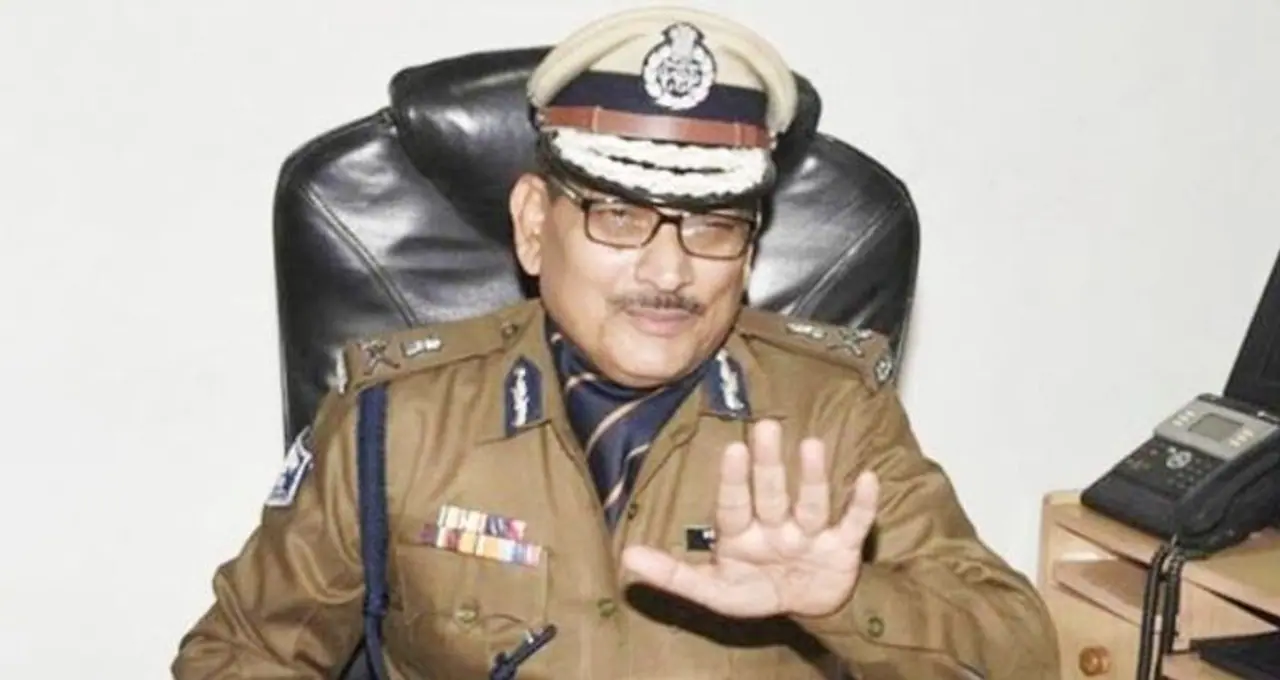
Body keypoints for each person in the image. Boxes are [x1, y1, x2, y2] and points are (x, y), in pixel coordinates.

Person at [173, 6, 1061, 679]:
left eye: (713, 225)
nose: (669, 271)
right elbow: (240, 653)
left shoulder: (834, 416)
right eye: (620, 215)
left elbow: (1021, 652)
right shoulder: (397, 420)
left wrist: (848, 601)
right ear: (534, 225)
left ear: (750, 250)